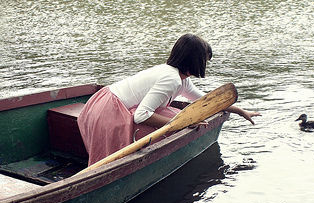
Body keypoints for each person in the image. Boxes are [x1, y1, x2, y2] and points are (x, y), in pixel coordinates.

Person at [77, 33, 260, 165]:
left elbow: (205, 101)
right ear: (195, 61)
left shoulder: (180, 78)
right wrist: (180, 124)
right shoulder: (171, 79)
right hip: (109, 110)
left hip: (108, 103)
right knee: (174, 120)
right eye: (205, 61)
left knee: (175, 114)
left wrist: (239, 111)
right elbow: (140, 116)